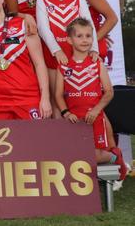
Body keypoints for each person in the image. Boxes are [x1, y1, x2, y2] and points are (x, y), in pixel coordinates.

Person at [55, 17, 126, 180]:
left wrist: (96, 110)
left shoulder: (97, 64)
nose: (85, 40)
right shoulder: (63, 66)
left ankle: (114, 157)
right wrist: (66, 113)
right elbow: (58, 95)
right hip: (73, 120)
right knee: (74, 156)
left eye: (88, 36)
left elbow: (108, 92)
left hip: (94, 118)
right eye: (79, 36)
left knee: (93, 155)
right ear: (69, 40)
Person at [0, 0, 52, 120]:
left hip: (27, 98)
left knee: (31, 141)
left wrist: (45, 98)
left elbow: (39, 64)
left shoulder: (23, 24)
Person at [37, 0, 97, 114]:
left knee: (77, 100)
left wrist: (94, 49)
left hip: (76, 56)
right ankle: (59, 137)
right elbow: (43, 29)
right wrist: (56, 51)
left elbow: (89, 25)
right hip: (53, 58)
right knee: (57, 100)